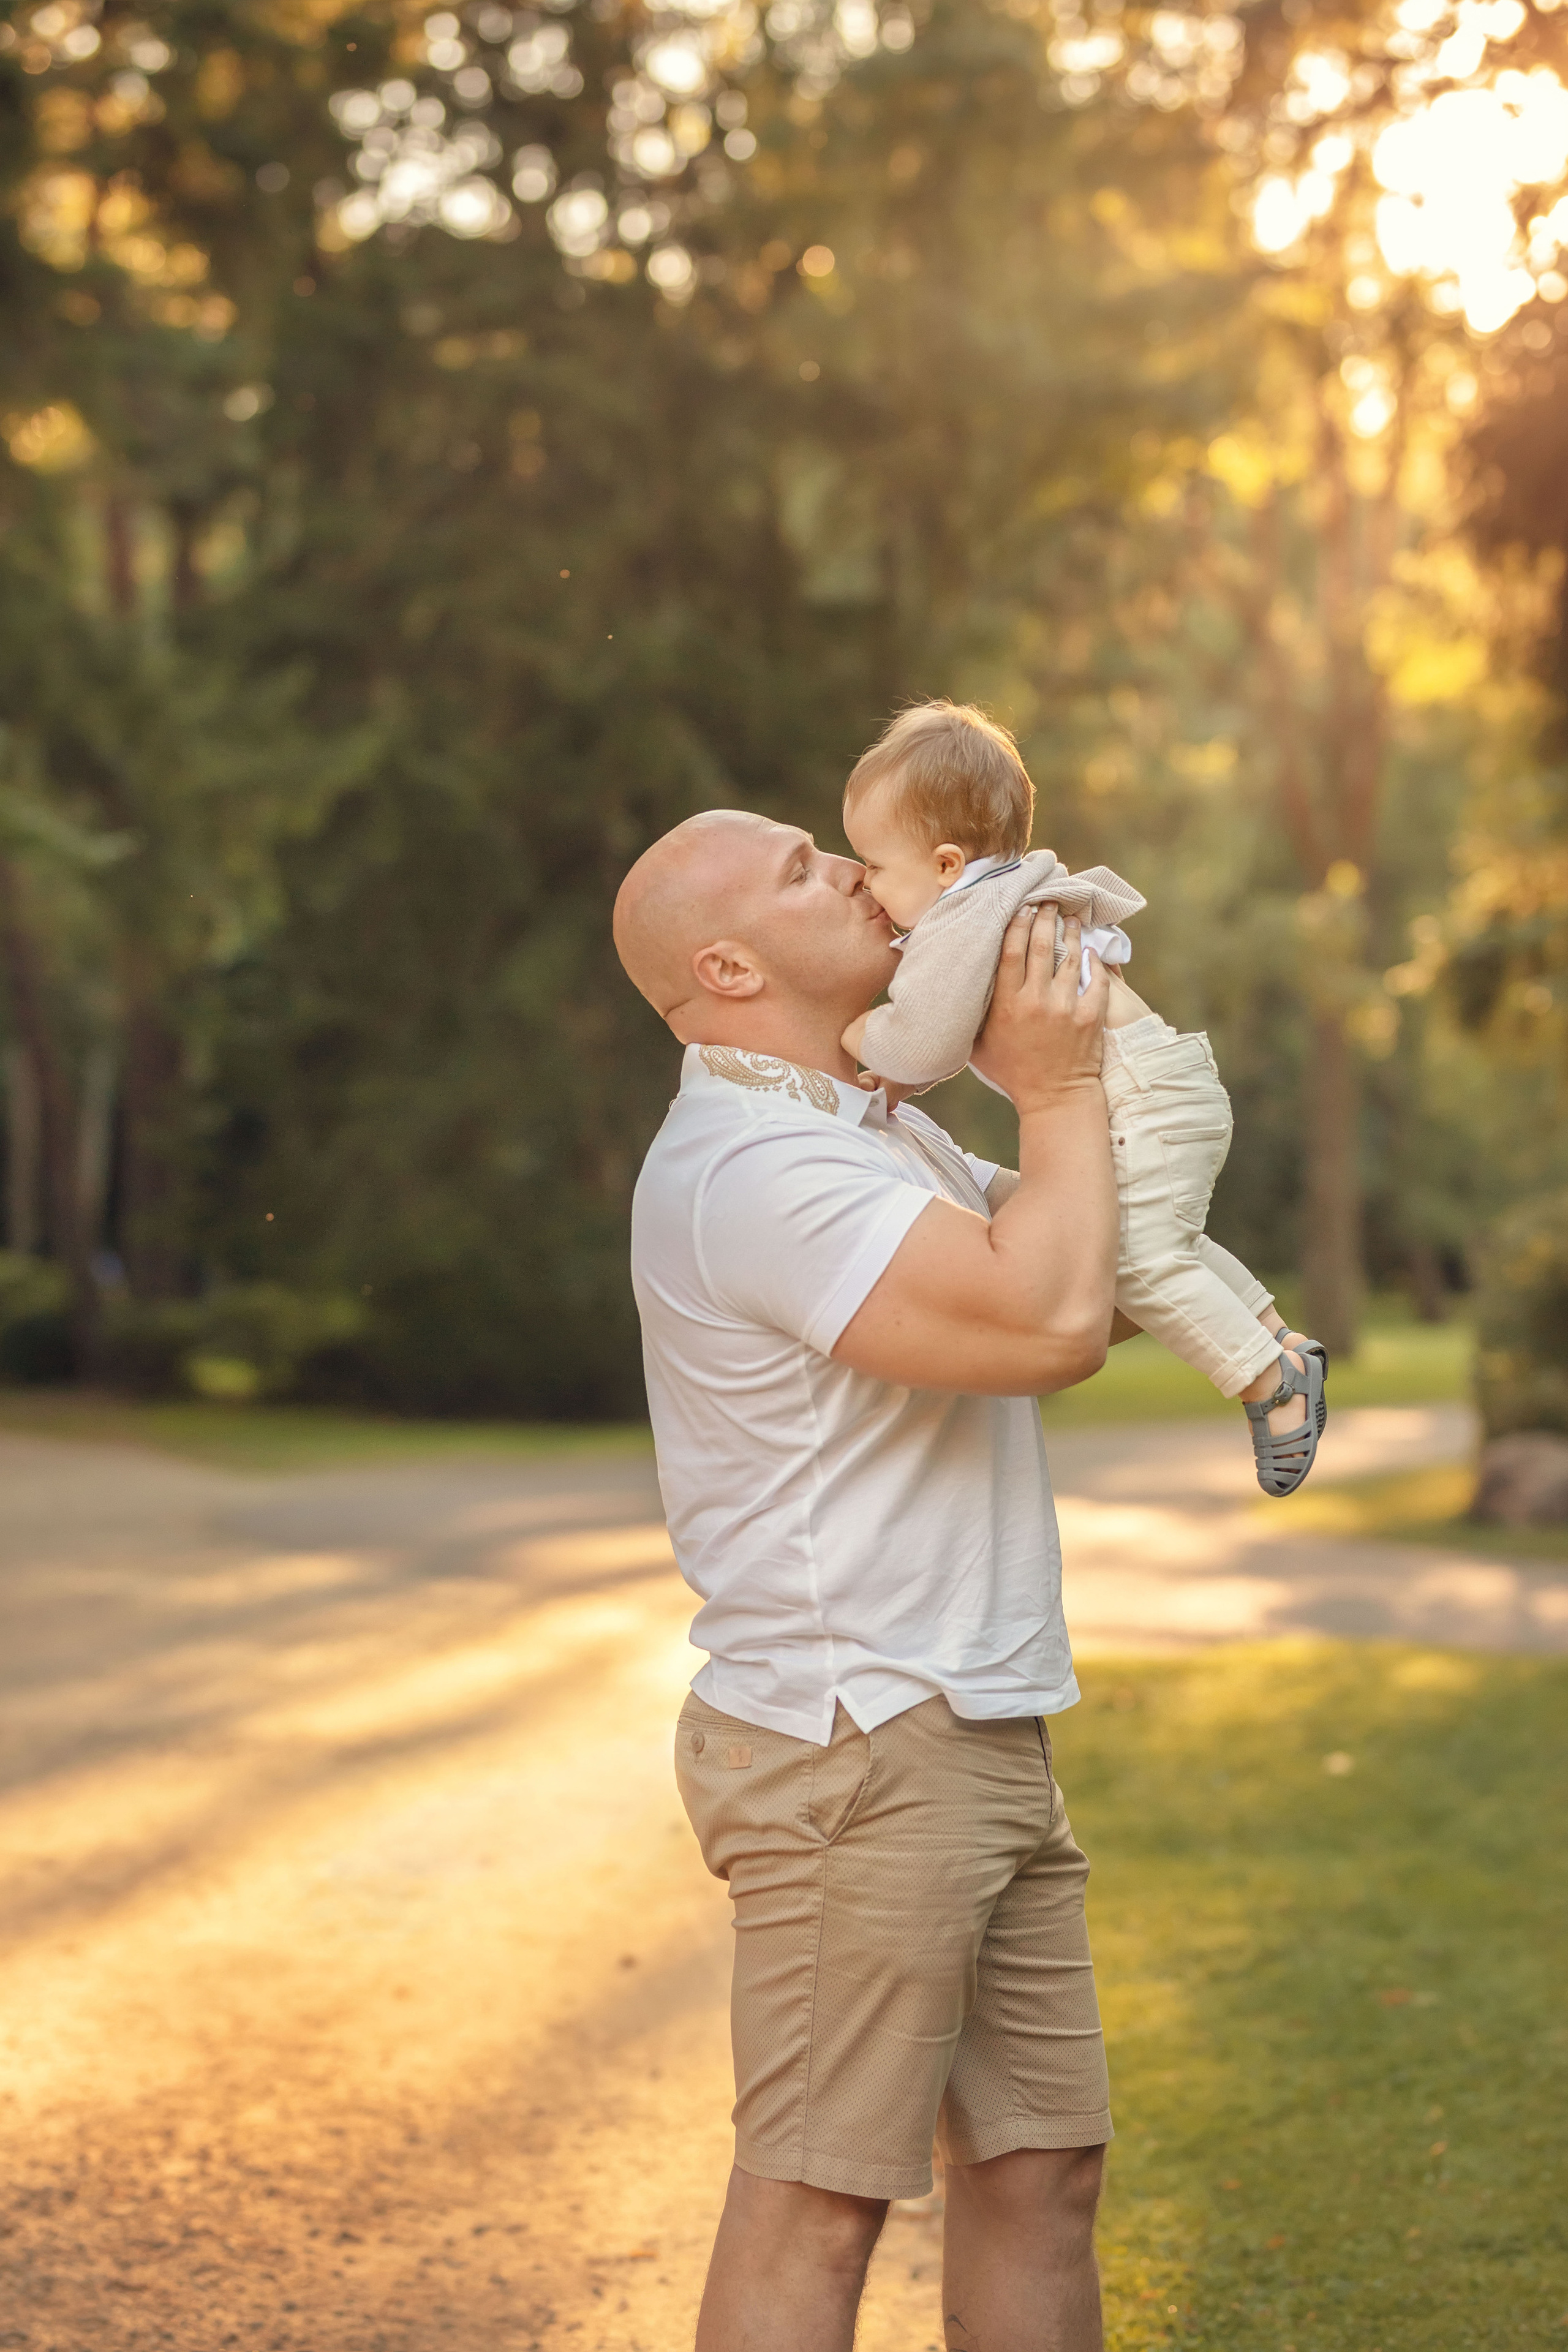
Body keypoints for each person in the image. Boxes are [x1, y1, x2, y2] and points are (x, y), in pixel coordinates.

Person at [613, 804, 1118, 2352]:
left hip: (973, 1724)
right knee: (818, 2200)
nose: (845, 866)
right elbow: (1044, 1322)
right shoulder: (754, 1167)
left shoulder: (864, 1123)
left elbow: (1079, 1253)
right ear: (726, 964)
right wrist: (1057, 1086)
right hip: (862, 1747)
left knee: (1040, 2168)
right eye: (796, 869)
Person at [839, 700, 1326, 1498]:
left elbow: (923, 1037)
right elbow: (956, 1038)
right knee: (1158, 1240)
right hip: (1165, 1084)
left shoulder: (964, 921)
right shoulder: (998, 901)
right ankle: (1279, 1337)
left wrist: (858, 1039)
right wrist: (905, 1070)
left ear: (947, 865)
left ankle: (1268, 1381)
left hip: (1144, 1101)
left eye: (875, 865)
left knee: (1134, 1260)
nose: (864, 883)